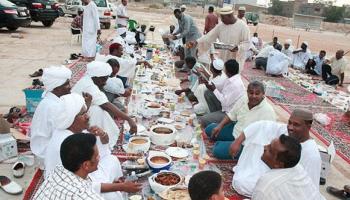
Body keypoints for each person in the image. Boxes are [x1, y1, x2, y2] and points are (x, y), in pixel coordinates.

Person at [44, 94, 141, 200]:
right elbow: (85, 185)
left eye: (87, 112)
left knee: (112, 160)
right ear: (71, 118)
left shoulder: (73, 130)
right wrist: (120, 187)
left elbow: (103, 151)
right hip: (75, 185)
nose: (88, 116)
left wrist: (103, 134)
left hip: (81, 176)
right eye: (83, 114)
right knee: (113, 196)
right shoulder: (69, 143)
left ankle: (113, 183)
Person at [231, 109, 322, 197]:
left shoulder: (312, 155)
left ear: (308, 126)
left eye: (296, 125)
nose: (290, 127)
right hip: (275, 176)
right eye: (289, 122)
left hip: (287, 189)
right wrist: (238, 141)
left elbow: (308, 190)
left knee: (254, 187)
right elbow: (262, 126)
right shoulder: (287, 132)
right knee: (243, 181)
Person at [72, 61, 137, 148]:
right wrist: (129, 119)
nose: (105, 82)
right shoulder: (89, 85)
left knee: (100, 109)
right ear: (97, 77)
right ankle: (98, 142)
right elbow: (106, 105)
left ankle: (105, 138)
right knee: (97, 110)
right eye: (104, 79)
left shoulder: (89, 79)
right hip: (75, 118)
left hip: (80, 112)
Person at [204, 81, 276, 159]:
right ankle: (226, 142)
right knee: (209, 129)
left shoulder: (268, 111)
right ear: (247, 92)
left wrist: (240, 144)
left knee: (217, 150)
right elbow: (232, 114)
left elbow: (267, 138)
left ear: (263, 94)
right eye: (251, 93)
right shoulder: (244, 99)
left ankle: (228, 145)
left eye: (257, 94)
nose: (253, 96)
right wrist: (220, 126)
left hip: (247, 144)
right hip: (235, 130)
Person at [251, 135, 324, 200]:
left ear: (278, 164)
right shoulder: (298, 167)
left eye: (270, 150)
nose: (265, 147)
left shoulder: (266, 185)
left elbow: (262, 193)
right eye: (269, 144)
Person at [34, 134, 104, 199]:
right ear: (86, 165)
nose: (99, 158)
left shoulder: (58, 169)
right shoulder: (85, 196)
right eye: (97, 156)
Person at [30, 66, 74, 166]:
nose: (70, 87)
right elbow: (64, 132)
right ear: (56, 87)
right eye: (67, 84)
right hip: (46, 154)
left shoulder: (51, 99)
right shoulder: (53, 106)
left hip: (45, 147)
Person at [193, 7, 250, 72]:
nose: (221, 20)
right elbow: (209, 36)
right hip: (223, 57)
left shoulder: (243, 26)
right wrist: (197, 42)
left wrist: (238, 48)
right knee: (223, 75)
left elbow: (247, 43)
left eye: (223, 18)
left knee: (233, 78)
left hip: (236, 59)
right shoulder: (221, 26)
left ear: (230, 16)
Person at [199, 59, 245, 128]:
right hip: (226, 107)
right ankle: (214, 117)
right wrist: (207, 83)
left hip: (229, 114)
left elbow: (224, 102)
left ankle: (218, 121)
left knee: (203, 119)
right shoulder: (231, 78)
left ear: (227, 71)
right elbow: (220, 87)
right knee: (208, 93)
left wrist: (214, 89)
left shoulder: (235, 84)